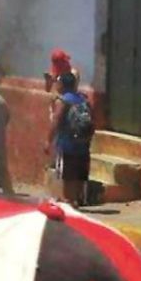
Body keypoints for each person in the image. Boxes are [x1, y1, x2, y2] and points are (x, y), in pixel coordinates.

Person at [45, 72, 93, 207]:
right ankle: (76, 200)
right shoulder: (83, 99)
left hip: (67, 143)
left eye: (58, 82)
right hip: (83, 144)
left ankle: (68, 201)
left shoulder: (63, 100)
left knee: (67, 175)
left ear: (62, 84)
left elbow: (56, 120)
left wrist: (48, 140)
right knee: (78, 173)